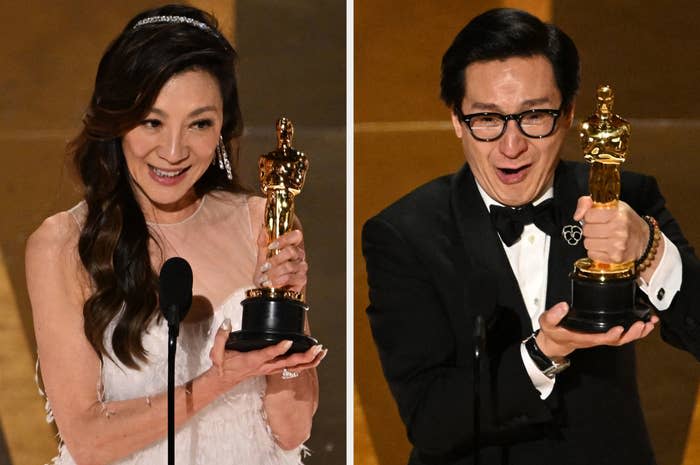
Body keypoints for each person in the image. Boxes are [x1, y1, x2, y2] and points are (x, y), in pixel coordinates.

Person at [362, 8, 700, 465]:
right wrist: (545, 353)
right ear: (457, 120)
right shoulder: (404, 234)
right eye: (487, 119)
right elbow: (430, 420)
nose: (511, 145)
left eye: (534, 116)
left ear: (568, 115)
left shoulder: (625, 196)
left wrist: (649, 251)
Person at [26, 5, 326, 465]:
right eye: (152, 121)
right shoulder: (63, 245)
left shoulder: (262, 222)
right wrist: (216, 382)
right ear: (117, 121)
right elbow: (88, 439)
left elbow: (291, 430)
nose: (172, 151)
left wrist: (286, 324)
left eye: (199, 124)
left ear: (222, 127)